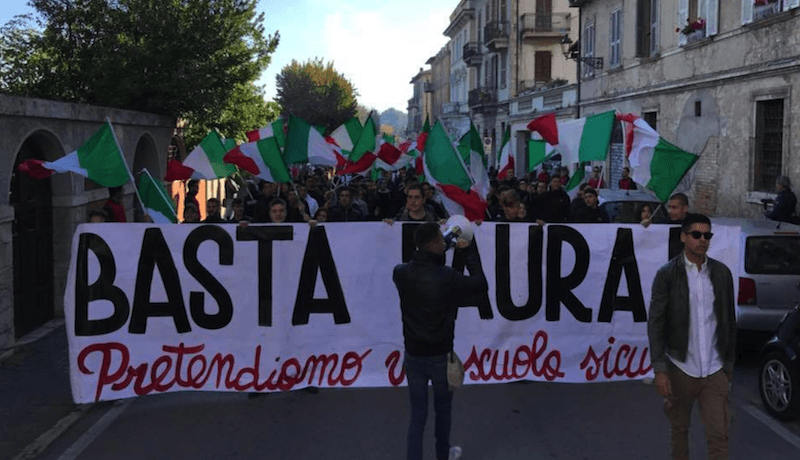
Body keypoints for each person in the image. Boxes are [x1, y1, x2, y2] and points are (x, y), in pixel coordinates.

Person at [392, 222, 488, 460]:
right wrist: (467, 252)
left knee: (417, 414)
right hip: (440, 356)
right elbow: (480, 284)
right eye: (440, 241)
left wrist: (441, 245)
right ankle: (442, 456)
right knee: (443, 411)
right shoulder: (447, 277)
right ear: (435, 245)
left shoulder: (401, 272)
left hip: (413, 355)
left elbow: (422, 257)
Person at [647, 213, 736, 460]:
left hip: (715, 369)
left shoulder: (722, 274)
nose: (702, 240)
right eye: (696, 234)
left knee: (719, 435)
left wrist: (728, 364)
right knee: (679, 430)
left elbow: (729, 321)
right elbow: (656, 323)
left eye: (707, 235)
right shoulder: (667, 275)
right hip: (680, 368)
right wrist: (660, 369)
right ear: (684, 237)